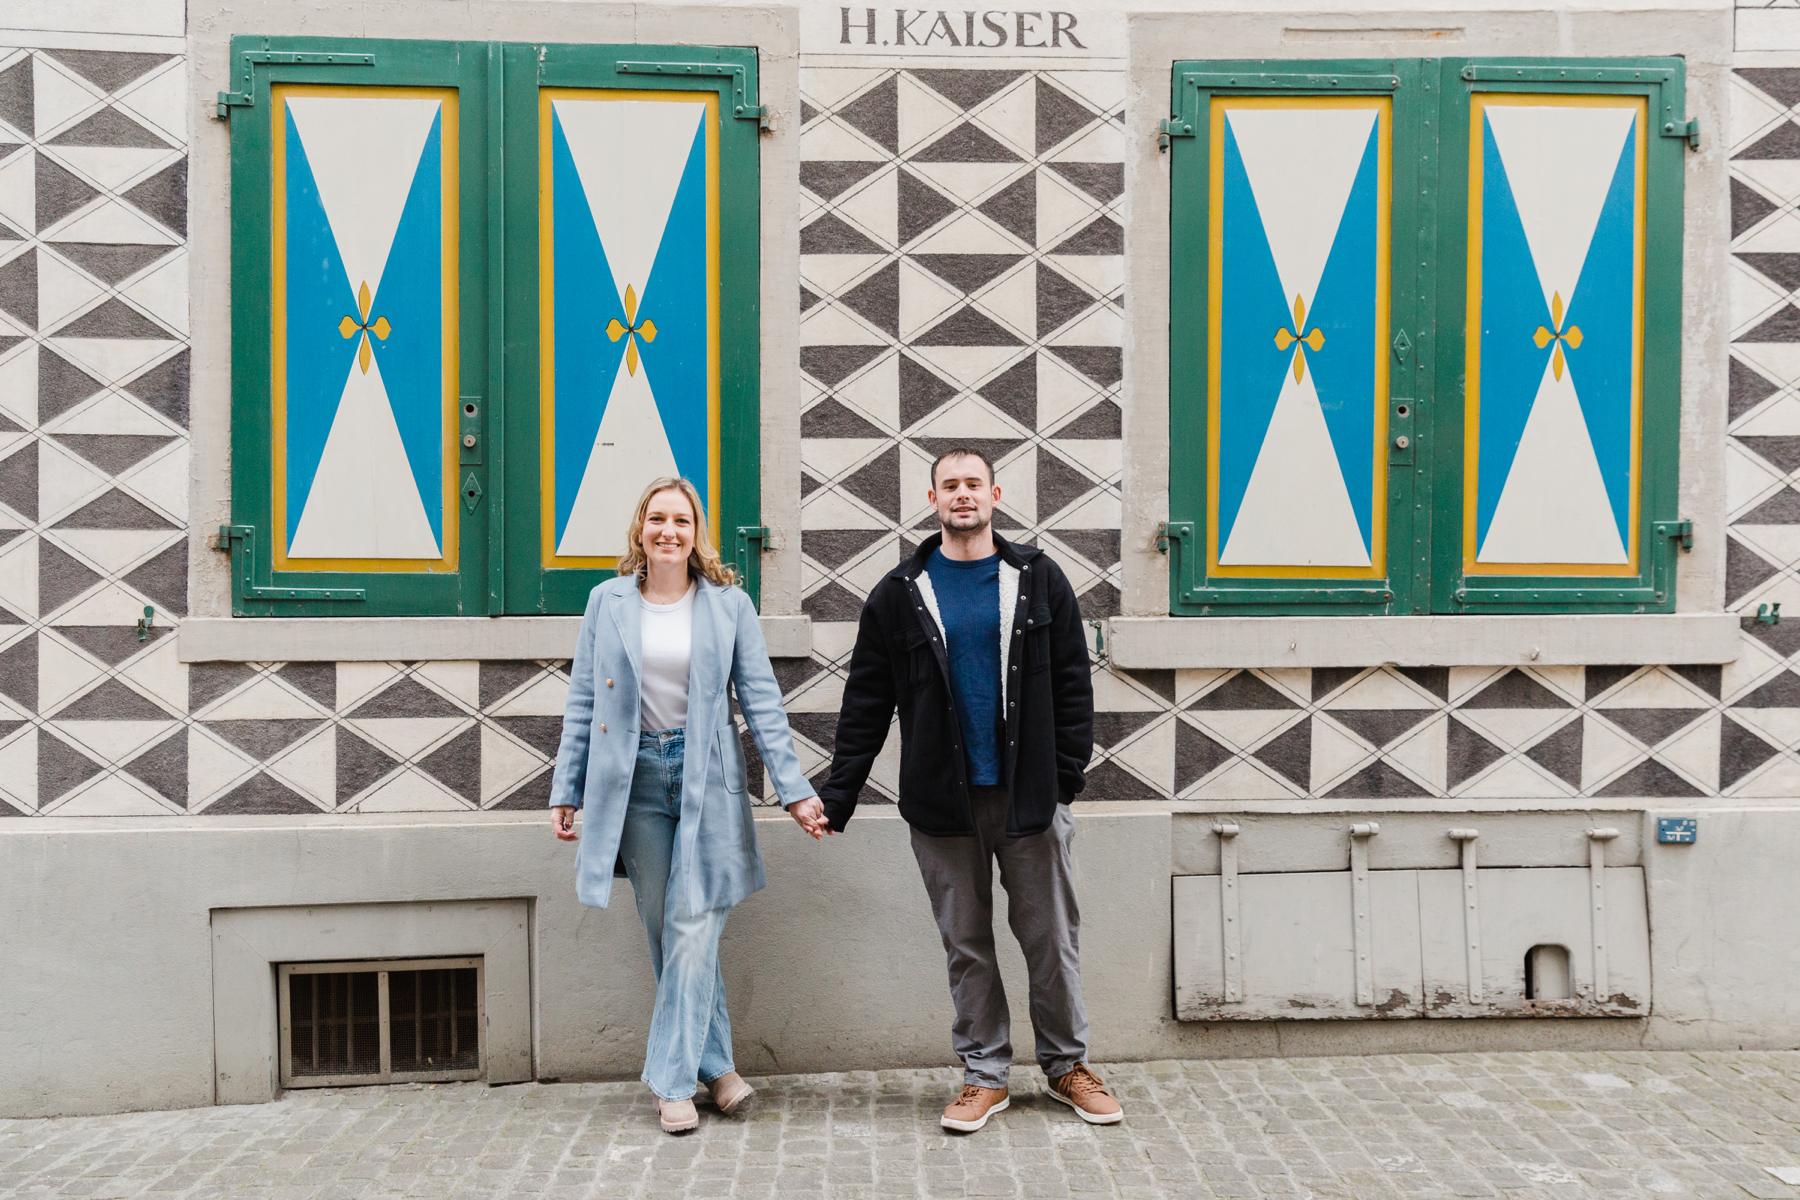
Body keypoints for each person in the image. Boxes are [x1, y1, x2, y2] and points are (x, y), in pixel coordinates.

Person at [812, 448, 1121, 1133]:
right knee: (967, 944)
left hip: (1030, 798)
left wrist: (1065, 775)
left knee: (1051, 940)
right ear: (933, 499)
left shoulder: (1038, 579)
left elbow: (1074, 684)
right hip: (942, 805)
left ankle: (1067, 1065)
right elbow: (867, 701)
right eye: (949, 485)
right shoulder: (899, 592)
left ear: (994, 494)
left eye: (972, 484)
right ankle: (985, 1074)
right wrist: (839, 797)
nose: (962, 495)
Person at [549, 476, 830, 1135]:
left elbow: (761, 704)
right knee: (668, 930)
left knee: (694, 925)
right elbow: (584, 703)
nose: (668, 531)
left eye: (681, 520)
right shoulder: (607, 602)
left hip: (707, 780)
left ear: (696, 530)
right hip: (635, 784)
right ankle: (719, 1068)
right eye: (657, 519)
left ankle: (672, 1081)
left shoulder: (729, 606)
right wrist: (567, 788)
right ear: (640, 530)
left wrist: (794, 791)